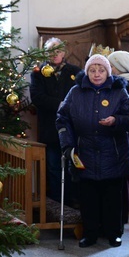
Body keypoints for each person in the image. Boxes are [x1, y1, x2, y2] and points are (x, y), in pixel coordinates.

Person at [56, 54, 129, 247]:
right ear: (87, 72)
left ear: (108, 72)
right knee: (88, 197)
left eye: (101, 70)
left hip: (113, 152)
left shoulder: (119, 91)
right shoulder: (75, 92)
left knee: (112, 198)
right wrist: (67, 145)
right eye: (92, 70)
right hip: (85, 152)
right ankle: (89, 234)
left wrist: (116, 121)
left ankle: (114, 233)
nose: (97, 74)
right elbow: (62, 118)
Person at [29, 37, 82, 203]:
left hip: (72, 128)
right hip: (50, 127)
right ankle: (57, 202)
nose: (54, 55)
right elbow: (37, 97)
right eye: (50, 51)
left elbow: (81, 95)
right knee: (53, 166)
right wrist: (60, 104)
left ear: (64, 53)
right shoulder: (38, 72)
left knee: (72, 165)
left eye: (58, 51)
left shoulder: (75, 71)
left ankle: (73, 201)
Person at [107, 50, 129, 224]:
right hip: (122, 131)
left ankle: (121, 217)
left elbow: (128, 112)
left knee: (121, 176)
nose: (109, 69)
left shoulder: (126, 85)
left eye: (111, 66)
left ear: (119, 68)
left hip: (123, 132)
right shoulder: (126, 82)